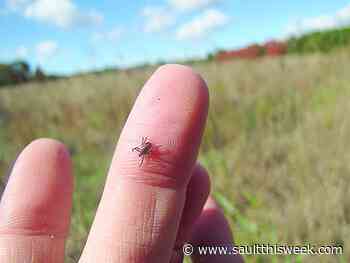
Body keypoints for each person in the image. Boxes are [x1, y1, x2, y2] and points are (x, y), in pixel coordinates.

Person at [0, 65, 244, 262]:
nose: (145, 150)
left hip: (148, 150)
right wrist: (146, 149)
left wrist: (146, 148)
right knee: (145, 153)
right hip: (147, 150)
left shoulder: (148, 149)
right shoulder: (146, 150)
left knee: (146, 153)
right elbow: (146, 148)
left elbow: (148, 147)